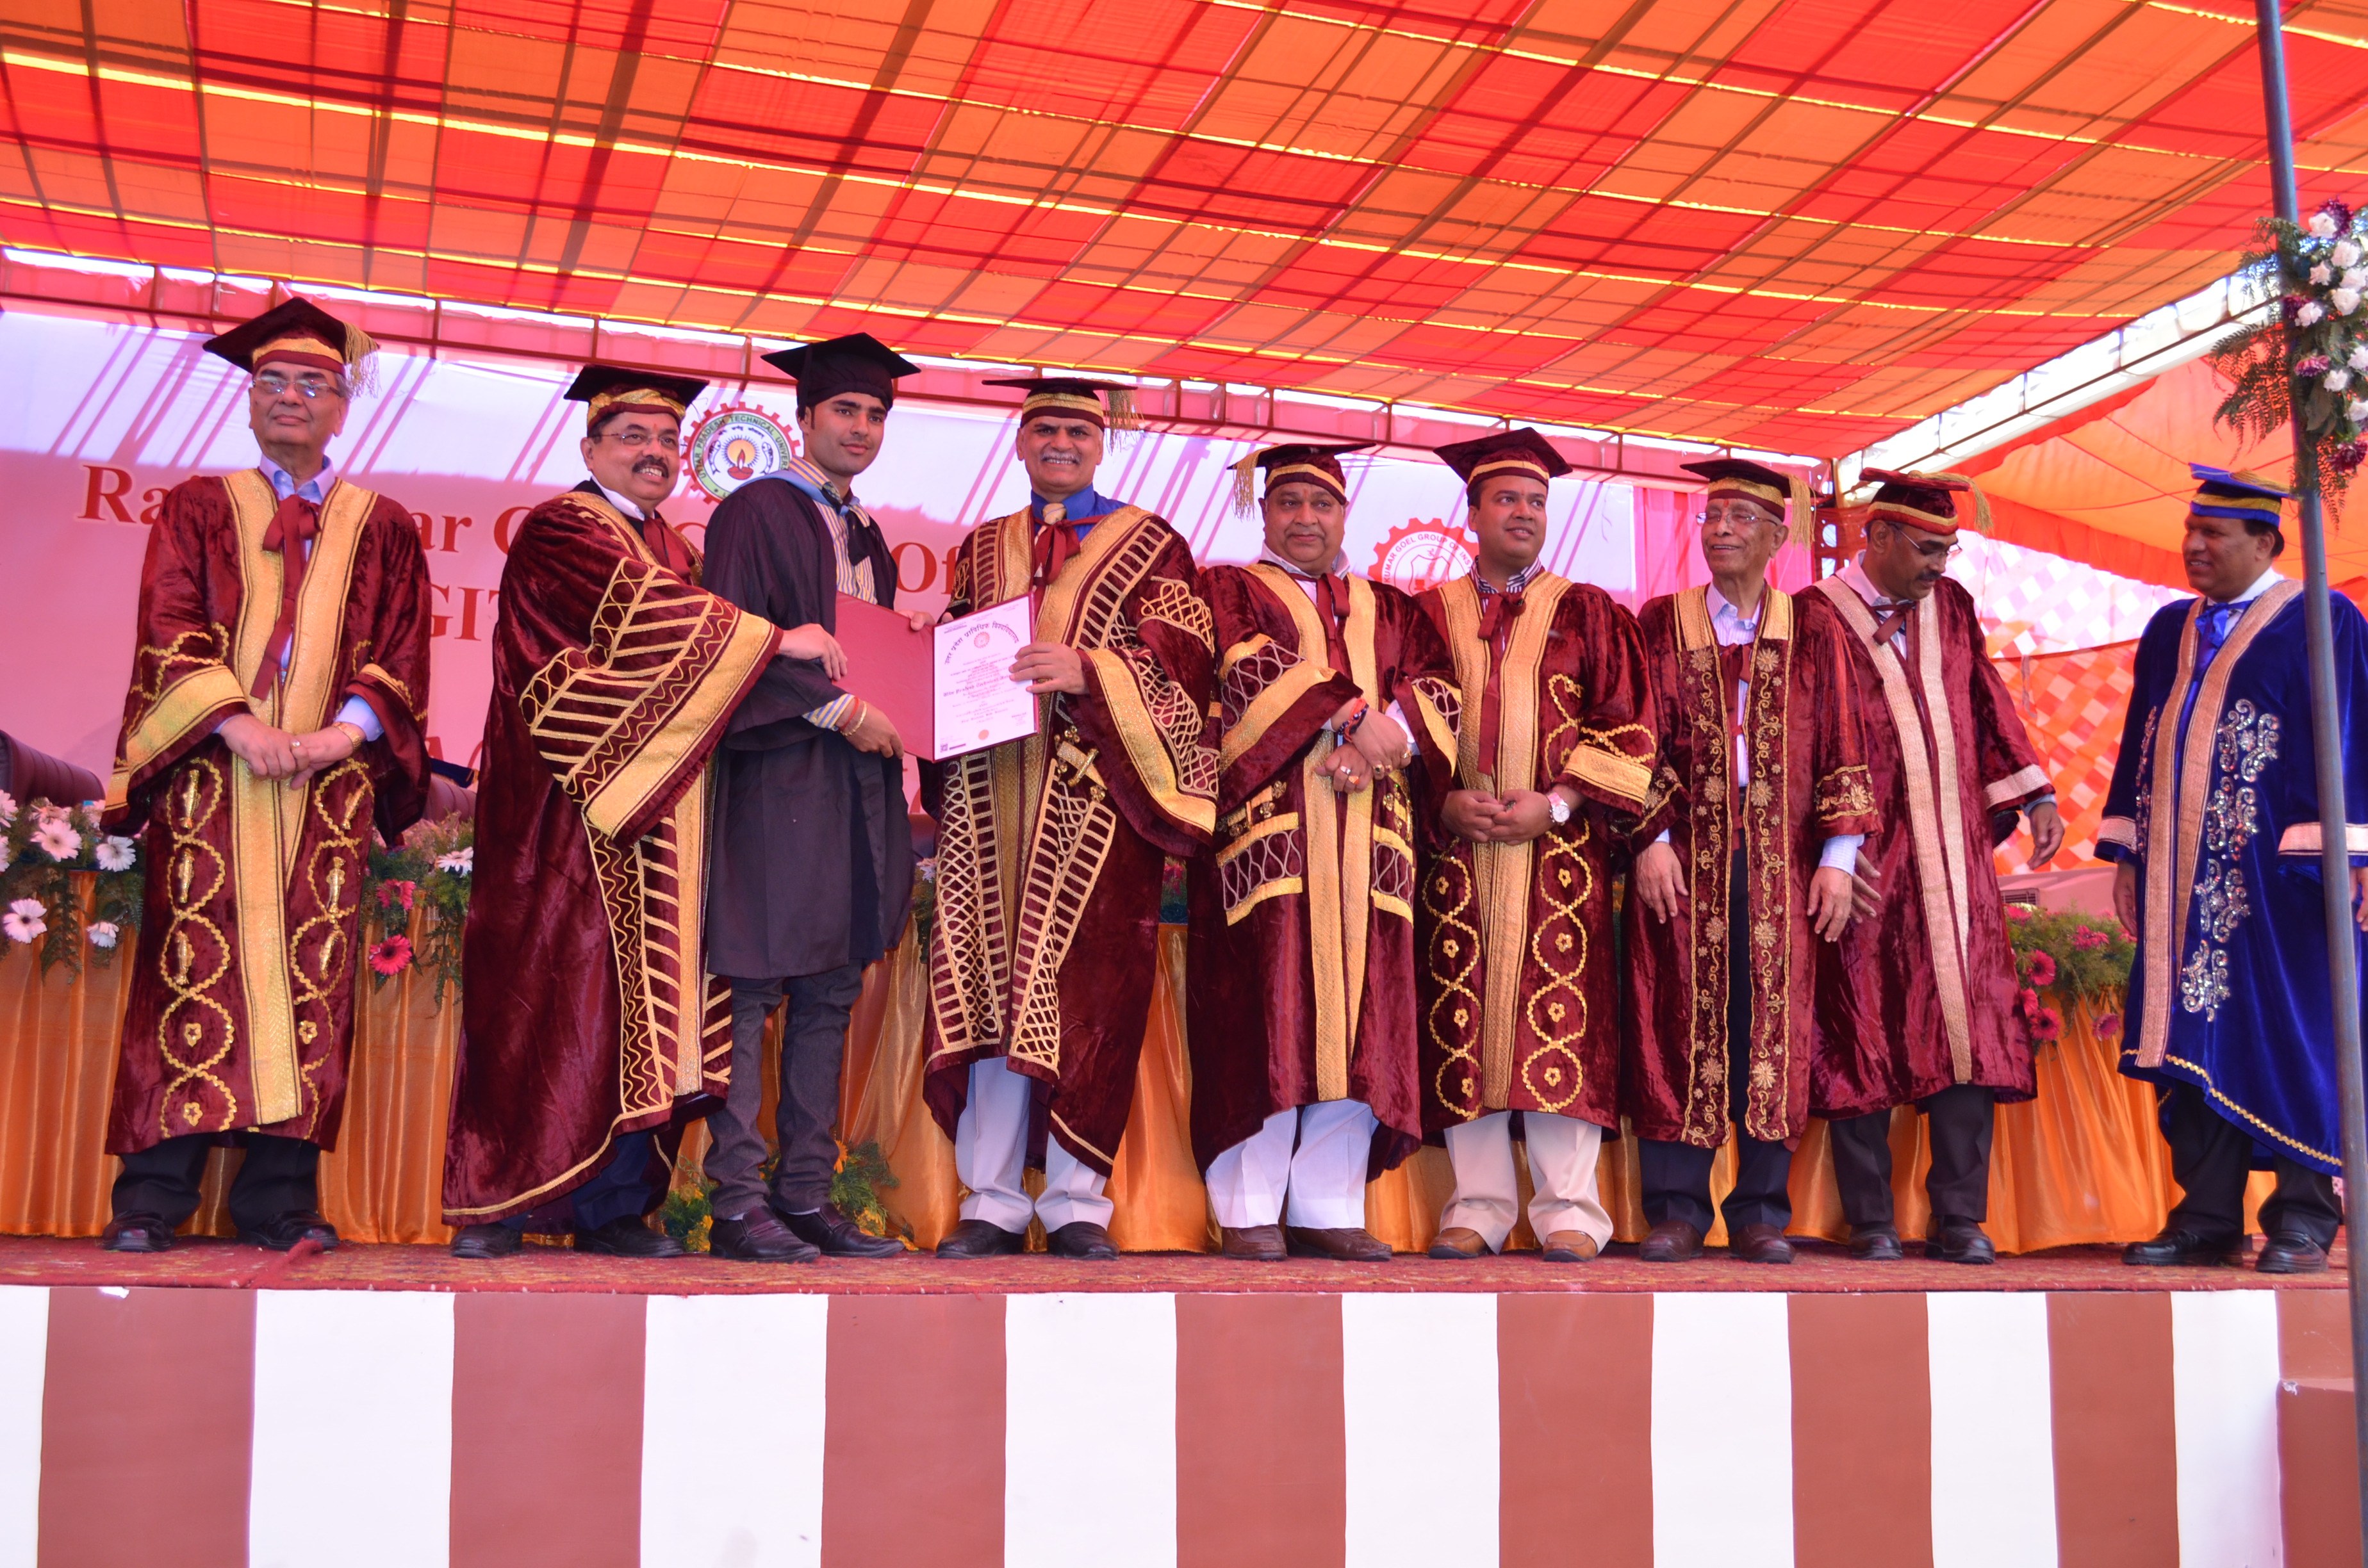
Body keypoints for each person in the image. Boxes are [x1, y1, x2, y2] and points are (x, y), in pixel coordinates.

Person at [443, 364, 850, 1259]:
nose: (654, 453)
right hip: (567, 817)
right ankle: (499, 1200)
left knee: (649, 1016)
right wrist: (777, 637)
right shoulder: (564, 528)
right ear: (589, 449)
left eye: (667, 440)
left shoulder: (675, 546)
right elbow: (643, 614)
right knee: (551, 999)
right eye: (633, 438)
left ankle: (617, 1208)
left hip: (664, 818)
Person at [98, 296, 432, 1253]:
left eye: (313, 384)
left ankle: (278, 1199)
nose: (290, 396)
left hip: (328, 785)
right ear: (249, 402)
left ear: (341, 407)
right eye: (272, 381)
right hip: (214, 773)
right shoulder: (199, 506)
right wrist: (237, 723)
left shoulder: (383, 526)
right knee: (190, 963)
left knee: (310, 977)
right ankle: (152, 1197)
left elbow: (402, 650)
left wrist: (340, 738)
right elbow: (168, 623)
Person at [921, 376, 1217, 1260]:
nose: (1061, 443)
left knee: (1090, 996)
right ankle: (991, 1201)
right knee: (986, 990)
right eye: (1045, 428)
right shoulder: (983, 546)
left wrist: (1091, 671)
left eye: (1078, 431)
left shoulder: (1154, 543)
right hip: (986, 802)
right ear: (1020, 442)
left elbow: (1186, 662)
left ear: (1101, 444)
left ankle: (1078, 1202)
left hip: (1096, 811)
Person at [1186, 443, 1461, 1261]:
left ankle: (1328, 1205)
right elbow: (1237, 667)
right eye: (1289, 503)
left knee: (1364, 1018)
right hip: (1272, 839)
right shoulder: (1227, 589)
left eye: (1322, 504)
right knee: (1267, 1012)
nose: (1305, 518)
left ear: (1345, 514)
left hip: (1372, 837)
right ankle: (1248, 1206)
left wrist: (1377, 746)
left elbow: (1436, 688)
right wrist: (1346, 715)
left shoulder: (1393, 607)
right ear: (1264, 512)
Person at [2103, 466, 2364, 1274]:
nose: (2194, 545)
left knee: (2296, 1034)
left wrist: (2349, 858)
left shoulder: (2322, 617)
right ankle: (2207, 1218)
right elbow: (2140, 739)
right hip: (2180, 881)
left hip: (2285, 881)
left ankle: (2304, 1217)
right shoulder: (2168, 628)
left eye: (2213, 534)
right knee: (2192, 1036)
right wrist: (2130, 850)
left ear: (2265, 543)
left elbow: (2352, 735)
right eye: (2191, 530)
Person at [698, 333, 921, 1263]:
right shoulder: (755, 510)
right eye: (845, 411)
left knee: (830, 987)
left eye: (875, 415)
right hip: (774, 776)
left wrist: (910, 654)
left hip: (852, 787)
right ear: (805, 418)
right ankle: (737, 1200)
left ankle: (806, 1194)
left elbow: (860, 649)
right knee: (752, 985)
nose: (860, 428)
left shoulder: (866, 533)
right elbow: (728, 637)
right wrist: (836, 709)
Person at [1622, 459, 1879, 1264]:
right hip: (1684, 856)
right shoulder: (1660, 623)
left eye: (1741, 518)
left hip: (1781, 861)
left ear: (1778, 536)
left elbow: (1843, 738)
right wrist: (1649, 840)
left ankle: (1761, 1210)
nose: (1722, 531)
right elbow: (1632, 736)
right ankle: (1676, 1211)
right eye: (1712, 516)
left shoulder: (1813, 628)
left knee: (1774, 1023)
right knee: (1677, 1018)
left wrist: (1840, 856)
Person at [1415, 429, 1657, 1263]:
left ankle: (1570, 1211)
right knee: (1463, 1016)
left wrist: (1556, 804)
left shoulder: (1589, 612)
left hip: (1560, 854)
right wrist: (1443, 802)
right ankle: (1477, 1206)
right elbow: (1407, 726)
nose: (1523, 512)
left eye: (1536, 501)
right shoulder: (1426, 615)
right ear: (1473, 512)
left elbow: (1629, 728)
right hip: (1458, 853)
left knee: (1560, 1016)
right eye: (1507, 499)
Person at [1808, 470, 2062, 1264]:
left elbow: (1986, 695)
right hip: (1865, 859)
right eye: (1925, 549)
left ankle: (1960, 1217)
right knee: (1861, 1022)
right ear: (1878, 536)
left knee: (1967, 1025)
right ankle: (1871, 1220)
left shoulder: (1950, 606)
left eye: (1947, 551)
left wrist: (2036, 791)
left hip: (1954, 856)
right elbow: (1800, 737)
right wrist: (1827, 849)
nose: (1938, 566)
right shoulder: (1814, 615)